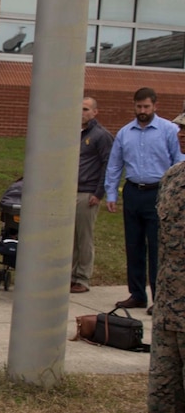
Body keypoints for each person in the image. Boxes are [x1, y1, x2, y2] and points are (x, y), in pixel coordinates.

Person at [131, 108, 185, 413]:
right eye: (183, 128)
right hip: (170, 309)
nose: (183, 135)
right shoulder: (174, 179)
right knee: (163, 399)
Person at [104, 87, 184, 313]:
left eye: (146, 107)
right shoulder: (124, 133)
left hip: (159, 193)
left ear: (155, 106)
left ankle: (160, 298)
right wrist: (111, 193)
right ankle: (137, 294)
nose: (142, 111)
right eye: (138, 107)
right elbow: (115, 164)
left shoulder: (169, 130)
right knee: (134, 246)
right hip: (133, 192)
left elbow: (179, 160)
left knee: (157, 248)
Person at [70, 96, 113, 294]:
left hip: (87, 193)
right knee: (69, 238)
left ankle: (83, 278)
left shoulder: (100, 136)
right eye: (80, 109)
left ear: (95, 112)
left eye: (86, 109)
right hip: (69, 191)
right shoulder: (73, 133)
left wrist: (99, 192)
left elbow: (108, 164)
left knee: (83, 238)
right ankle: (69, 275)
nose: (82, 113)